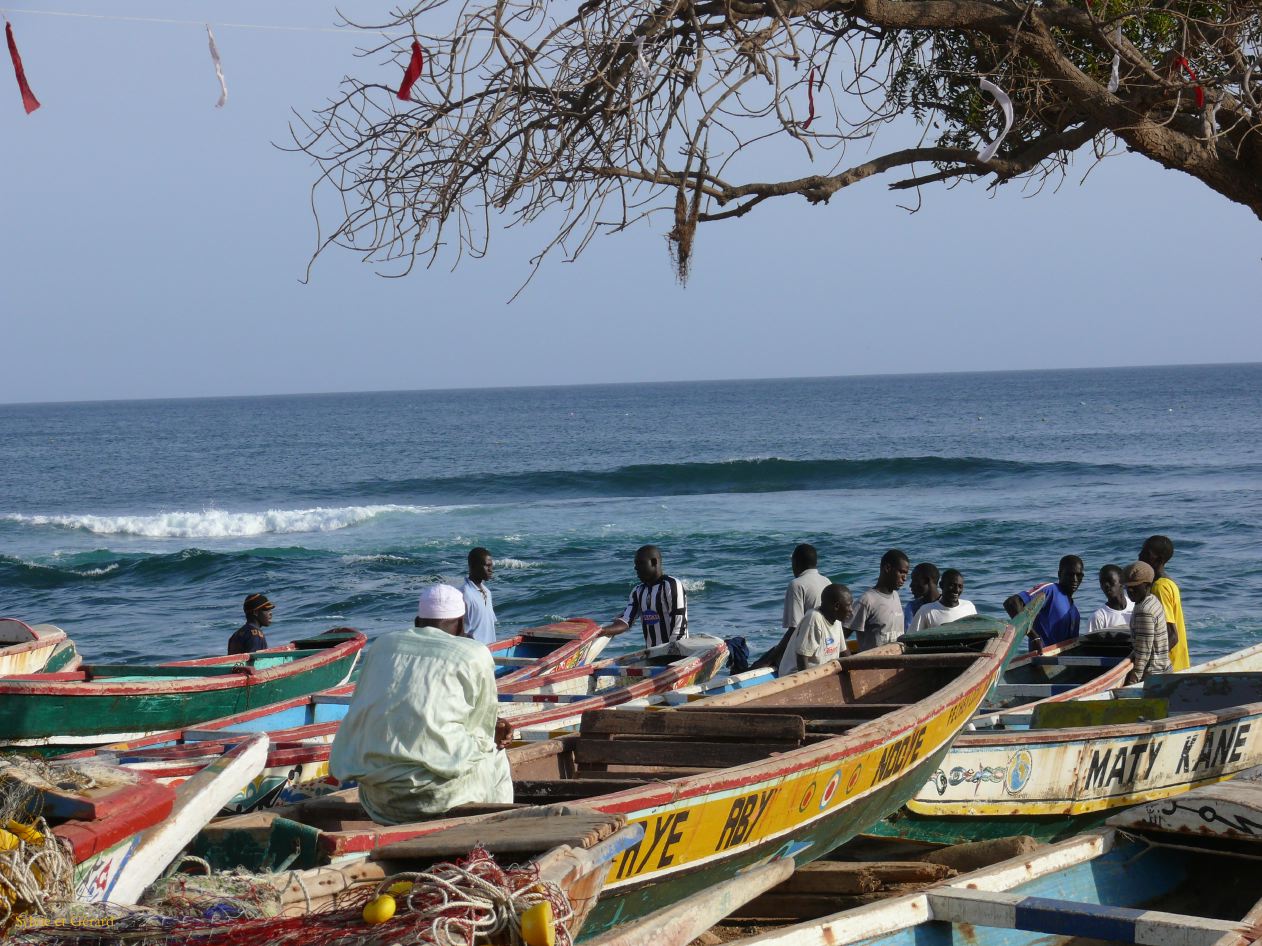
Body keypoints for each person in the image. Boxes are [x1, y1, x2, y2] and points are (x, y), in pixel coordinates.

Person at [328, 584, 513, 825]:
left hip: (378, 799)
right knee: (496, 754)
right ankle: (496, 836)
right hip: (438, 798)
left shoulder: (382, 646)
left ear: (417, 621)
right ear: (461, 625)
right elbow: (482, 729)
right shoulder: (474, 653)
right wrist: (494, 736)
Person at [602, 545, 689, 647]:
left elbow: (679, 625)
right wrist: (602, 631)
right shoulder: (638, 591)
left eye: (640, 563)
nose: (635, 568)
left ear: (654, 562)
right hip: (653, 653)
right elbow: (626, 621)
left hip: (678, 652)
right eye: (635, 564)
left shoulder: (671, 585)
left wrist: (671, 652)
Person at [1004, 555, 1084, 650]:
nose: (1075, 579)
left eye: (1079, 575)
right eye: (1070, 574)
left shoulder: (1075, 613)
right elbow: (1012, 603)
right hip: (1040, 661)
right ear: (1059, 574)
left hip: (1061, 662)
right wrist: (1034, 637)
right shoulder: (1050, 590)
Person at [778, 584, 853, 676]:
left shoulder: (836, 620)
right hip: (796, 675)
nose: (851, 610)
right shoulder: (814, 619)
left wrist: (853, 671)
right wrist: (808, 684)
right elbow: (802, 658)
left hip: (821, 673)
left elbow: (844, 652)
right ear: (836, 606)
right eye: (849, 605)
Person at [1139, 535, 1189, 671]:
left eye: (1145, 553)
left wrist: (1148, 662)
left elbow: (1172, 635)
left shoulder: (1159, 588)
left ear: (1159, 560)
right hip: (1179, 663)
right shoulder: (1169, 582)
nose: (1140, 556)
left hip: (1168, 667)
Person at [847, 549, 910, 652]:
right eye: (901, 572)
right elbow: (842, 635)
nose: (905, 578)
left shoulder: (896, 596)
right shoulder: (866, 601)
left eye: (906, 574)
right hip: (874, 665)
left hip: (896, 662)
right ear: (887, 568)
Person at [1122, 561, 1170, 684]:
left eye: (1135, 587)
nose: (1131, 591)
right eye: (1128, 587)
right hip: (1163, 669)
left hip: (1153, 676)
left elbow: (1144, 652)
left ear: (1147, 585)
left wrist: (1133, 681)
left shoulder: (1145, 611)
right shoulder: (1152, 600)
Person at [783, 543, 832, 632]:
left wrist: (779, 646)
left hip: (811, 641)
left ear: (796, 562)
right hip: (829, 640)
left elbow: (795, 628)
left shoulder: (796, 584)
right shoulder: (827, 581)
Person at [909, 569, 976, 631]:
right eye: (952, 585)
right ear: (941, 585)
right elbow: (911, 638)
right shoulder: (926, 611)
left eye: (960, 586)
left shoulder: (969, 607)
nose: (957, 590)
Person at [462, 547, 497, 645]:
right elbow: (460, 632)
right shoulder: (465, 594)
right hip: (474, 654)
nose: (491, 570)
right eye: (487, 566)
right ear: (473, 566)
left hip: (490, 651)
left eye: (491, 566)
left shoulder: (487, 592)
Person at [1086, 564, 1133, 632]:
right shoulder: (1098, 617)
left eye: (1110, 581)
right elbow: (1090, 641)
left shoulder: (1135, 607)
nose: (1106, 585)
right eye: (1102, 582)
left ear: (1122, 582)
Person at [904, 563, 941, 627]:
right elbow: (908, 634)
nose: (910, 585)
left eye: (915, 580)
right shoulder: (912, 607)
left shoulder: (947, 605)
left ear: (926, 580)